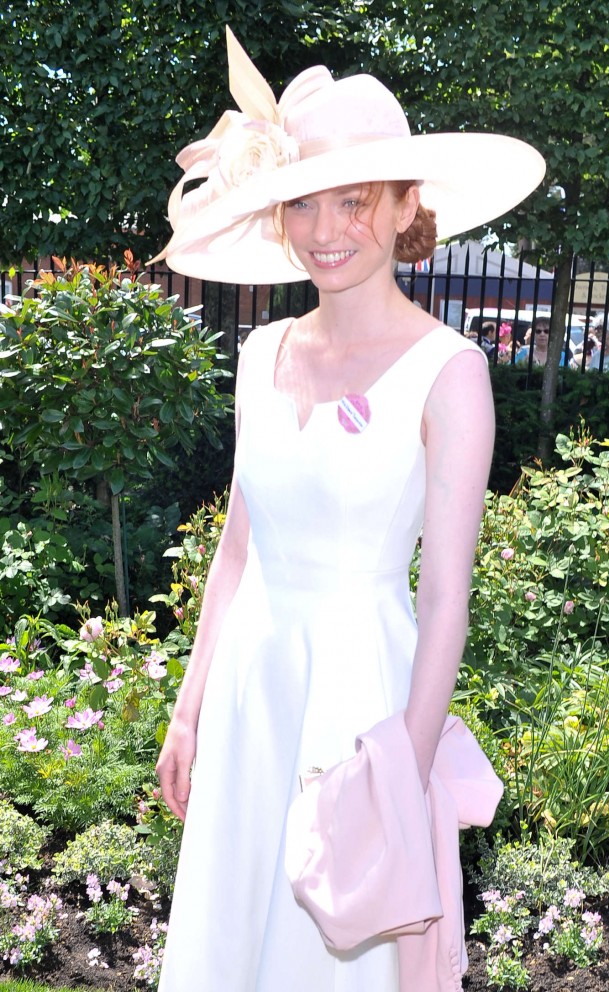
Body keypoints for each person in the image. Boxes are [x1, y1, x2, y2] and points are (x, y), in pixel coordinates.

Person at [150, 26, 545, 992]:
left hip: (363, 709)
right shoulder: (259, 355)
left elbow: (447, 600)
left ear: (410, 206)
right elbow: (237, 552)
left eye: (356, 199)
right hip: (253, 695)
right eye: (304, 201)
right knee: (237, 938)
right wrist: (191, 708)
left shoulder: (449, 375)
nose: (327, 228)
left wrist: (400, 779)